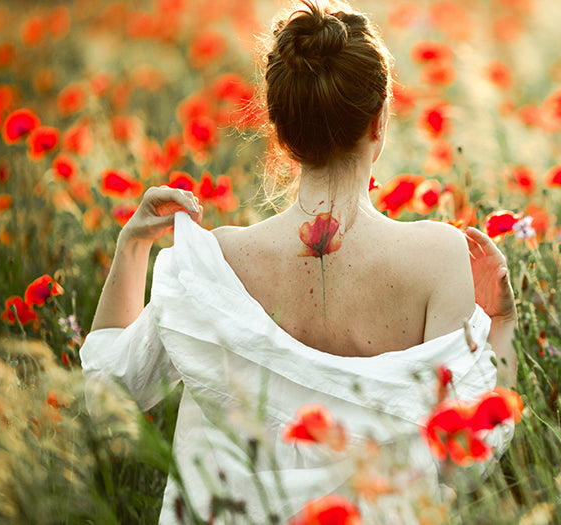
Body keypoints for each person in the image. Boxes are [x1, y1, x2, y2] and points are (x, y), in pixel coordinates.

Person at [79, 1, 517, 523]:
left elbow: (108, 396)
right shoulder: (442, 258)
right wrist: (502, 325)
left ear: (280, 132)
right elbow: (464, 462)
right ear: (379, 121)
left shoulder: (213, 266)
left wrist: (132, 246)